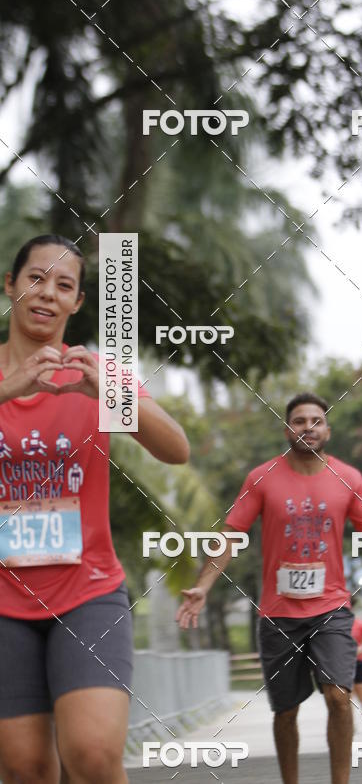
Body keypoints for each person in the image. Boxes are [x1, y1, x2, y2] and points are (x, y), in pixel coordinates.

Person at [176, 392, 362, 784]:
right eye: (299, 420)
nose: (308, 426)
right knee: (285, 711)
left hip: (331, 609)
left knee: (340, 698)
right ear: (287, 428)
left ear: (328, 429)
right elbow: (230, 535)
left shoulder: (349, 478)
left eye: (316, 420)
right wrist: (204, 586)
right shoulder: (261, 477)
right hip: (278, 614)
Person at [0, 235, 190, 784]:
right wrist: (9, 388)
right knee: (26, 768)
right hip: (6, 601)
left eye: (64, 286)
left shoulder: (95, 372)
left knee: (92, 754)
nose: (47, 294)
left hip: (88, 592)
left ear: (78, 303)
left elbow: (175, 448)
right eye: (35, 278)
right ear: (10, 285)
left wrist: (107, 393)